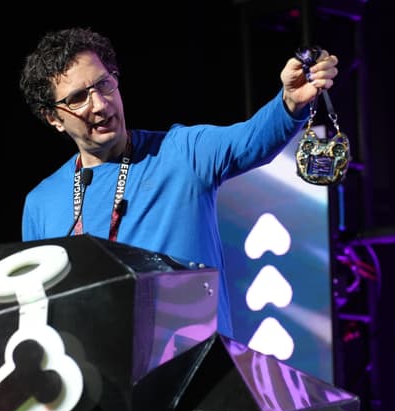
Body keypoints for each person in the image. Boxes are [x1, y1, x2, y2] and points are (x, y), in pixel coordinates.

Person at [19, 27, 339, 339]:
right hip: (100, 381)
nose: (100, 105)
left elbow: (251, 140)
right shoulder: (41, 203)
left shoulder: (182, 153)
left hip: (195, 375)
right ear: (53, 118)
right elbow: (37, 313)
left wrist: (291, 102)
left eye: (104, 85)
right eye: (77, 98)